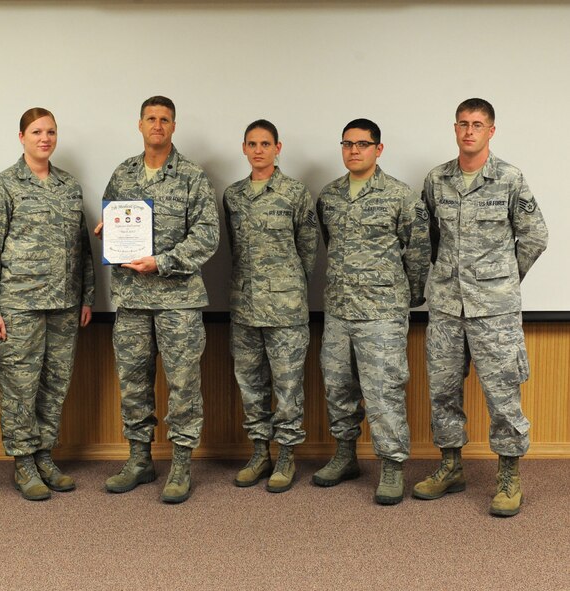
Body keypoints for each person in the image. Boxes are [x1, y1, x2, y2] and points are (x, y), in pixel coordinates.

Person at [413, 98, 548, 517]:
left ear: (492, 130)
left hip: (494, 312)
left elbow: (535, 236)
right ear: (454, 129)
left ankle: (509, 476)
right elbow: (426, 238)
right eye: (462, 124)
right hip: (447, 308)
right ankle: (451, 466)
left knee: (502, 394)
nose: (469, 131)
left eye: (477, 124)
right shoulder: (436, 179)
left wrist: (501, 281)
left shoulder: (509, 178)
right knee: (443, 390)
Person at [97, 95, 219, 504]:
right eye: (151, 118)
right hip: (132, 300)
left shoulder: (191, 176)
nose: (158, 125)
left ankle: (182, 463)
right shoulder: (124, 173)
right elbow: (114, 216)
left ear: (173, 126)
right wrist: (107, 230)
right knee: (133, 382)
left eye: (165, 119)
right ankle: (139, 459)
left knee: (183, 383)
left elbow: (206, 236)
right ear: (140, 124)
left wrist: (162, 262)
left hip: (177, 300)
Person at [0, 108, 95, 501]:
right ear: (21, 136)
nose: (45, 138)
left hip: (63, 304)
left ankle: (44, 455)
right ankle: (23, 462)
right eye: (37, 132)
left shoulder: (69, 186)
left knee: (54, 385)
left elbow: (83, 249)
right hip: (19, 306)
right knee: (21, 388)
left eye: (51, 131)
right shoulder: (4, 185)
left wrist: (86, 297)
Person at [313, 118, 430, 505]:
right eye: (347, 144)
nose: (354, 151)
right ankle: (346, 455)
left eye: (362, 144)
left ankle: (392, 465)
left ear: (379, 149)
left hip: (382, 313)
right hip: (339, 311)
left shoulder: (400, 196)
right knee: (338, 388)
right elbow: (329, 245)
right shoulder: (328, 196)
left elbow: (418, 253)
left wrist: (404, 300)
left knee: (383, 393)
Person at [223, 119, 318, 492]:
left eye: (266, 143)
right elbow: (234, 247)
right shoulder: (232, 196)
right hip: (244, 309)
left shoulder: (295, 193)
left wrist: (288, 288)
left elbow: (308, 250)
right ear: (243, 148)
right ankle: (259, 452)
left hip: (286, 310)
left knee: (288, 386)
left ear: (278, 148)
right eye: (252, 143)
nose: (258, 150)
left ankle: (286, 456)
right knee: (250, 384)